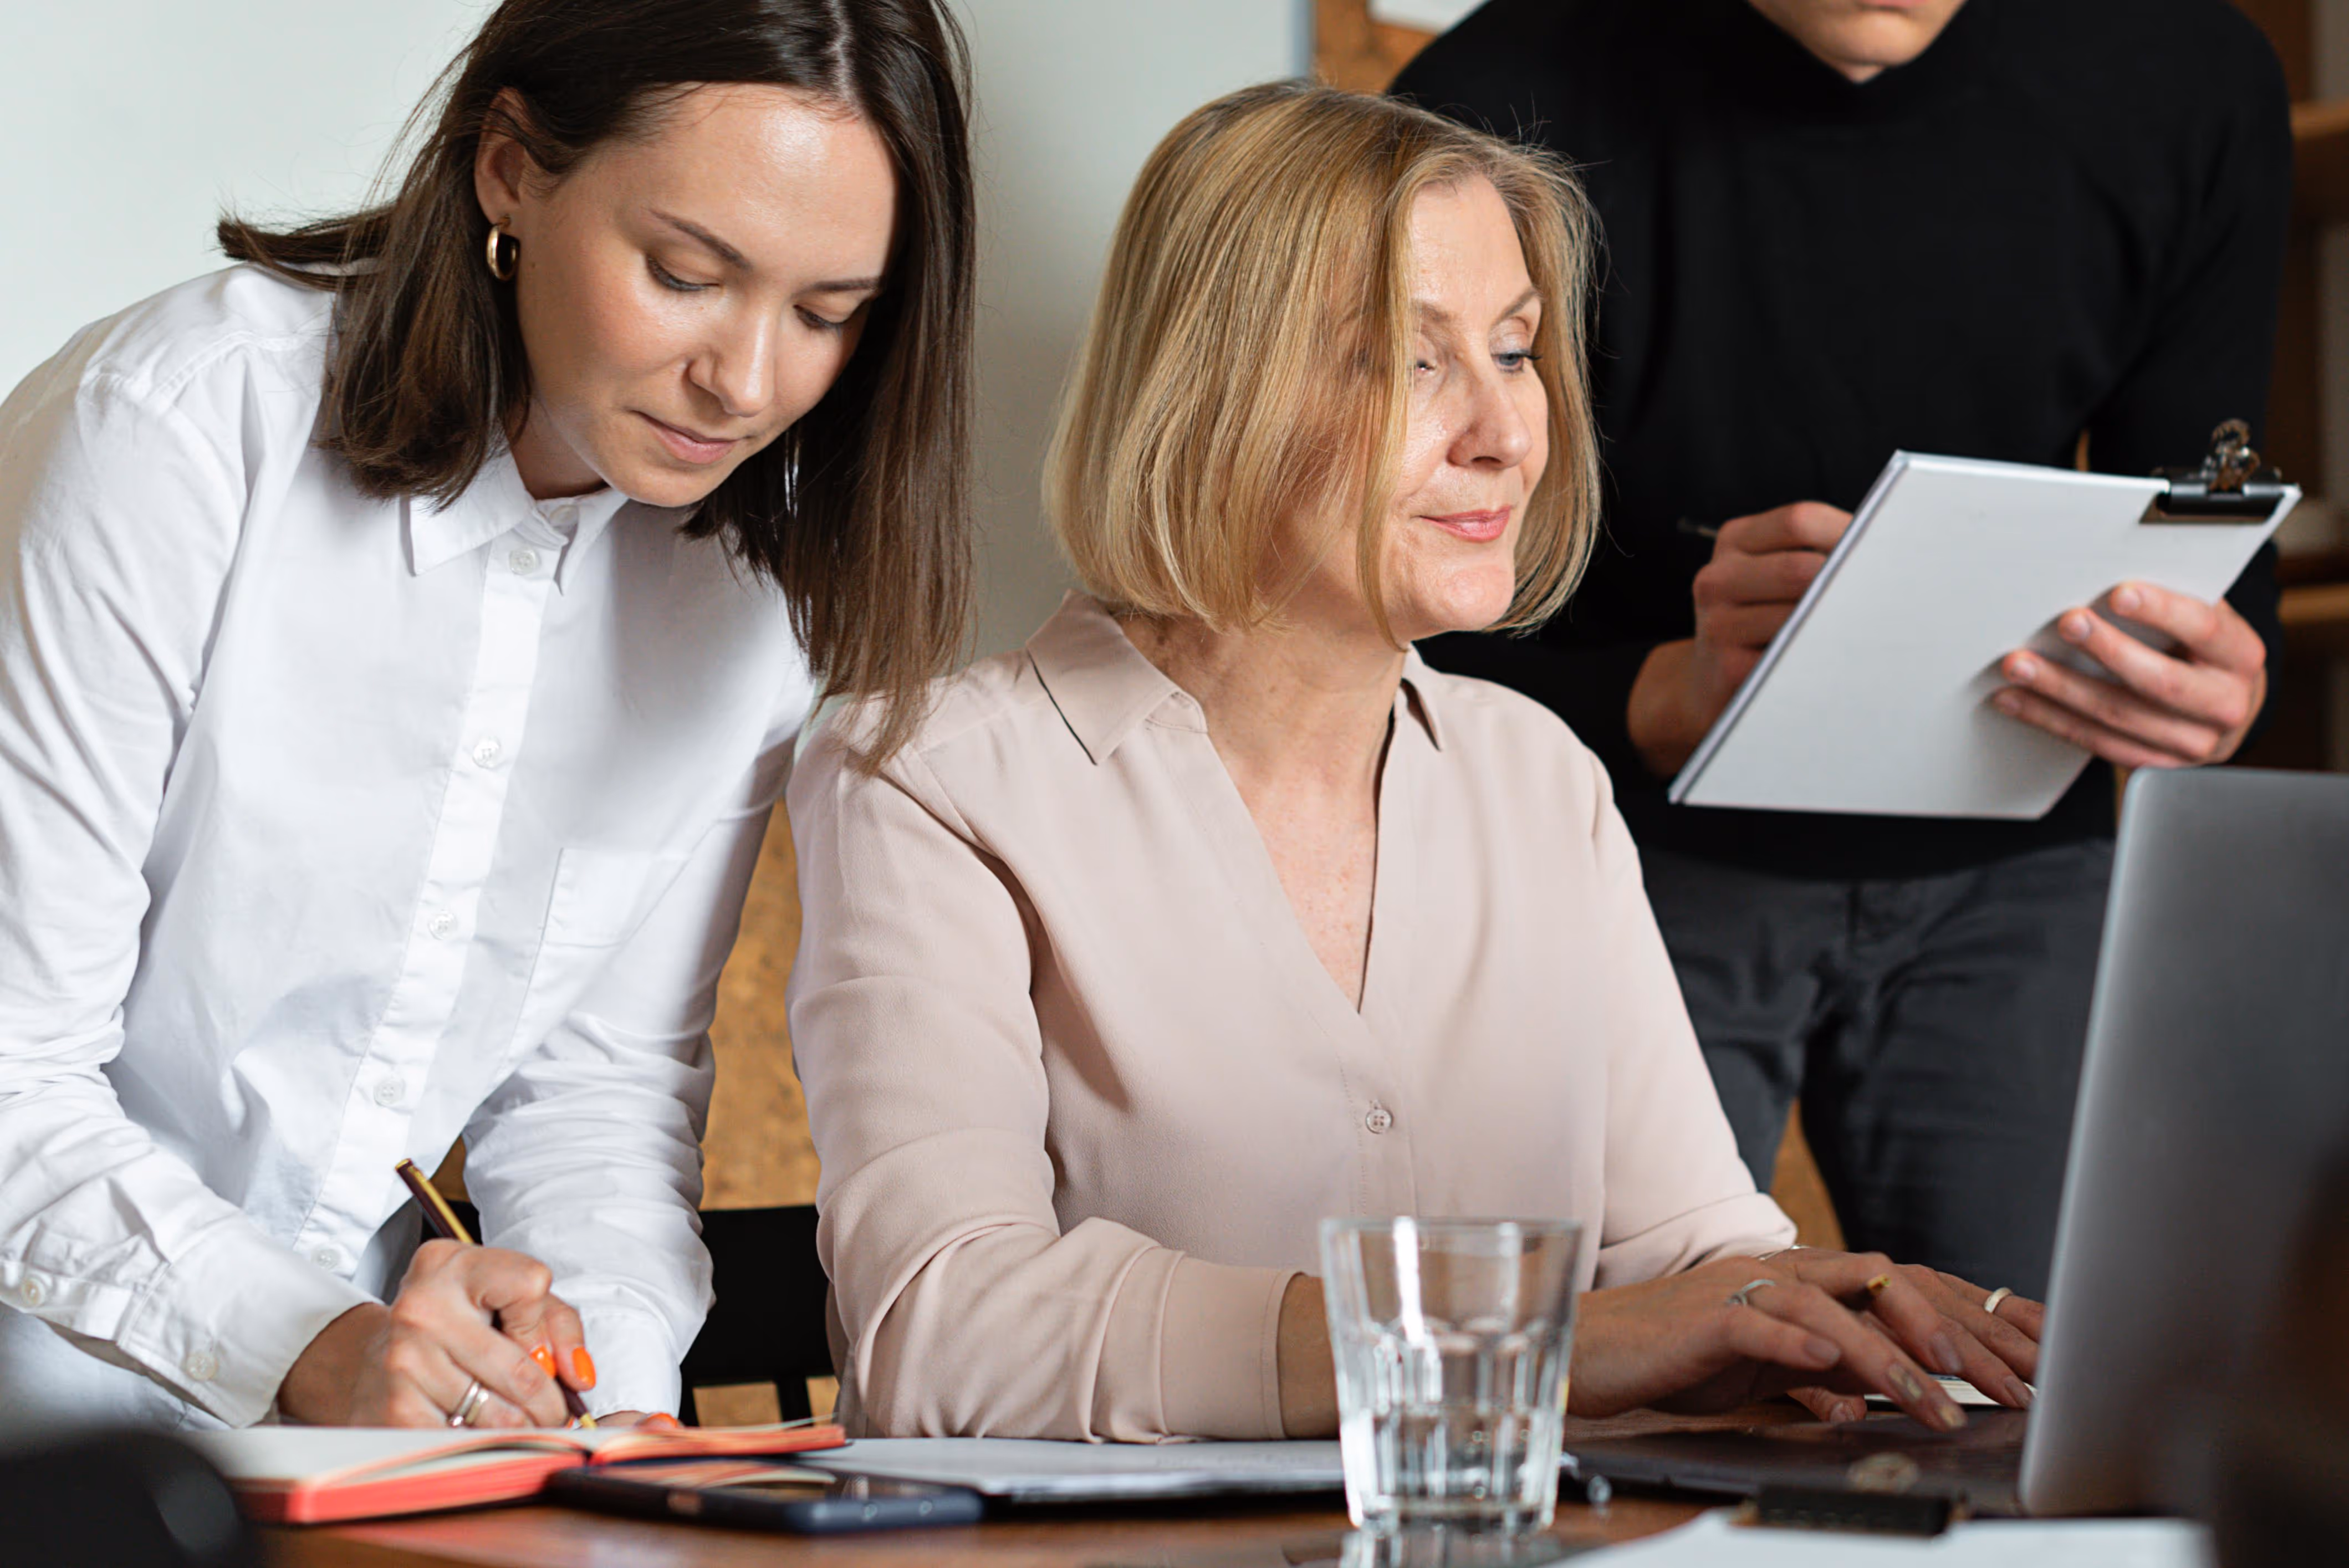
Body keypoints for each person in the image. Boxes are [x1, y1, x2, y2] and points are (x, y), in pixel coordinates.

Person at [788, 82, 2043, 1444]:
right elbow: (943, 1329)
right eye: (1410, 358)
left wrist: (1842, 1308)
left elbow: (1686, 1258)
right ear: (1209, 389)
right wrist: (1516, 1341)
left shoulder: (1538, 778)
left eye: (1514, 351)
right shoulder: (924, 774)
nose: (1505, 432)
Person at [0, 0, 974, 1434]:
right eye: (686, 273)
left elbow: (596, 1097)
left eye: (827, 313)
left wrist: (608, 1417)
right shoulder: (181, 433)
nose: (749, 381)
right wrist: (304, 1337)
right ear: (509, 167)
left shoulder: (744, 600)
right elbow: (10, 1071)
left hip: (361, 1443)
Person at [1390, 0, 2289, 1299]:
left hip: (2020, 849)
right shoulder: (1492, 99)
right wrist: (1657, 691)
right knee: (1598, 1383)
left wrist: (2223, 670)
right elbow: (1381, 622)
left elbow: (2206, 490)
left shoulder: (2182, 73)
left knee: (2042, 1409)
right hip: (1618, 845)